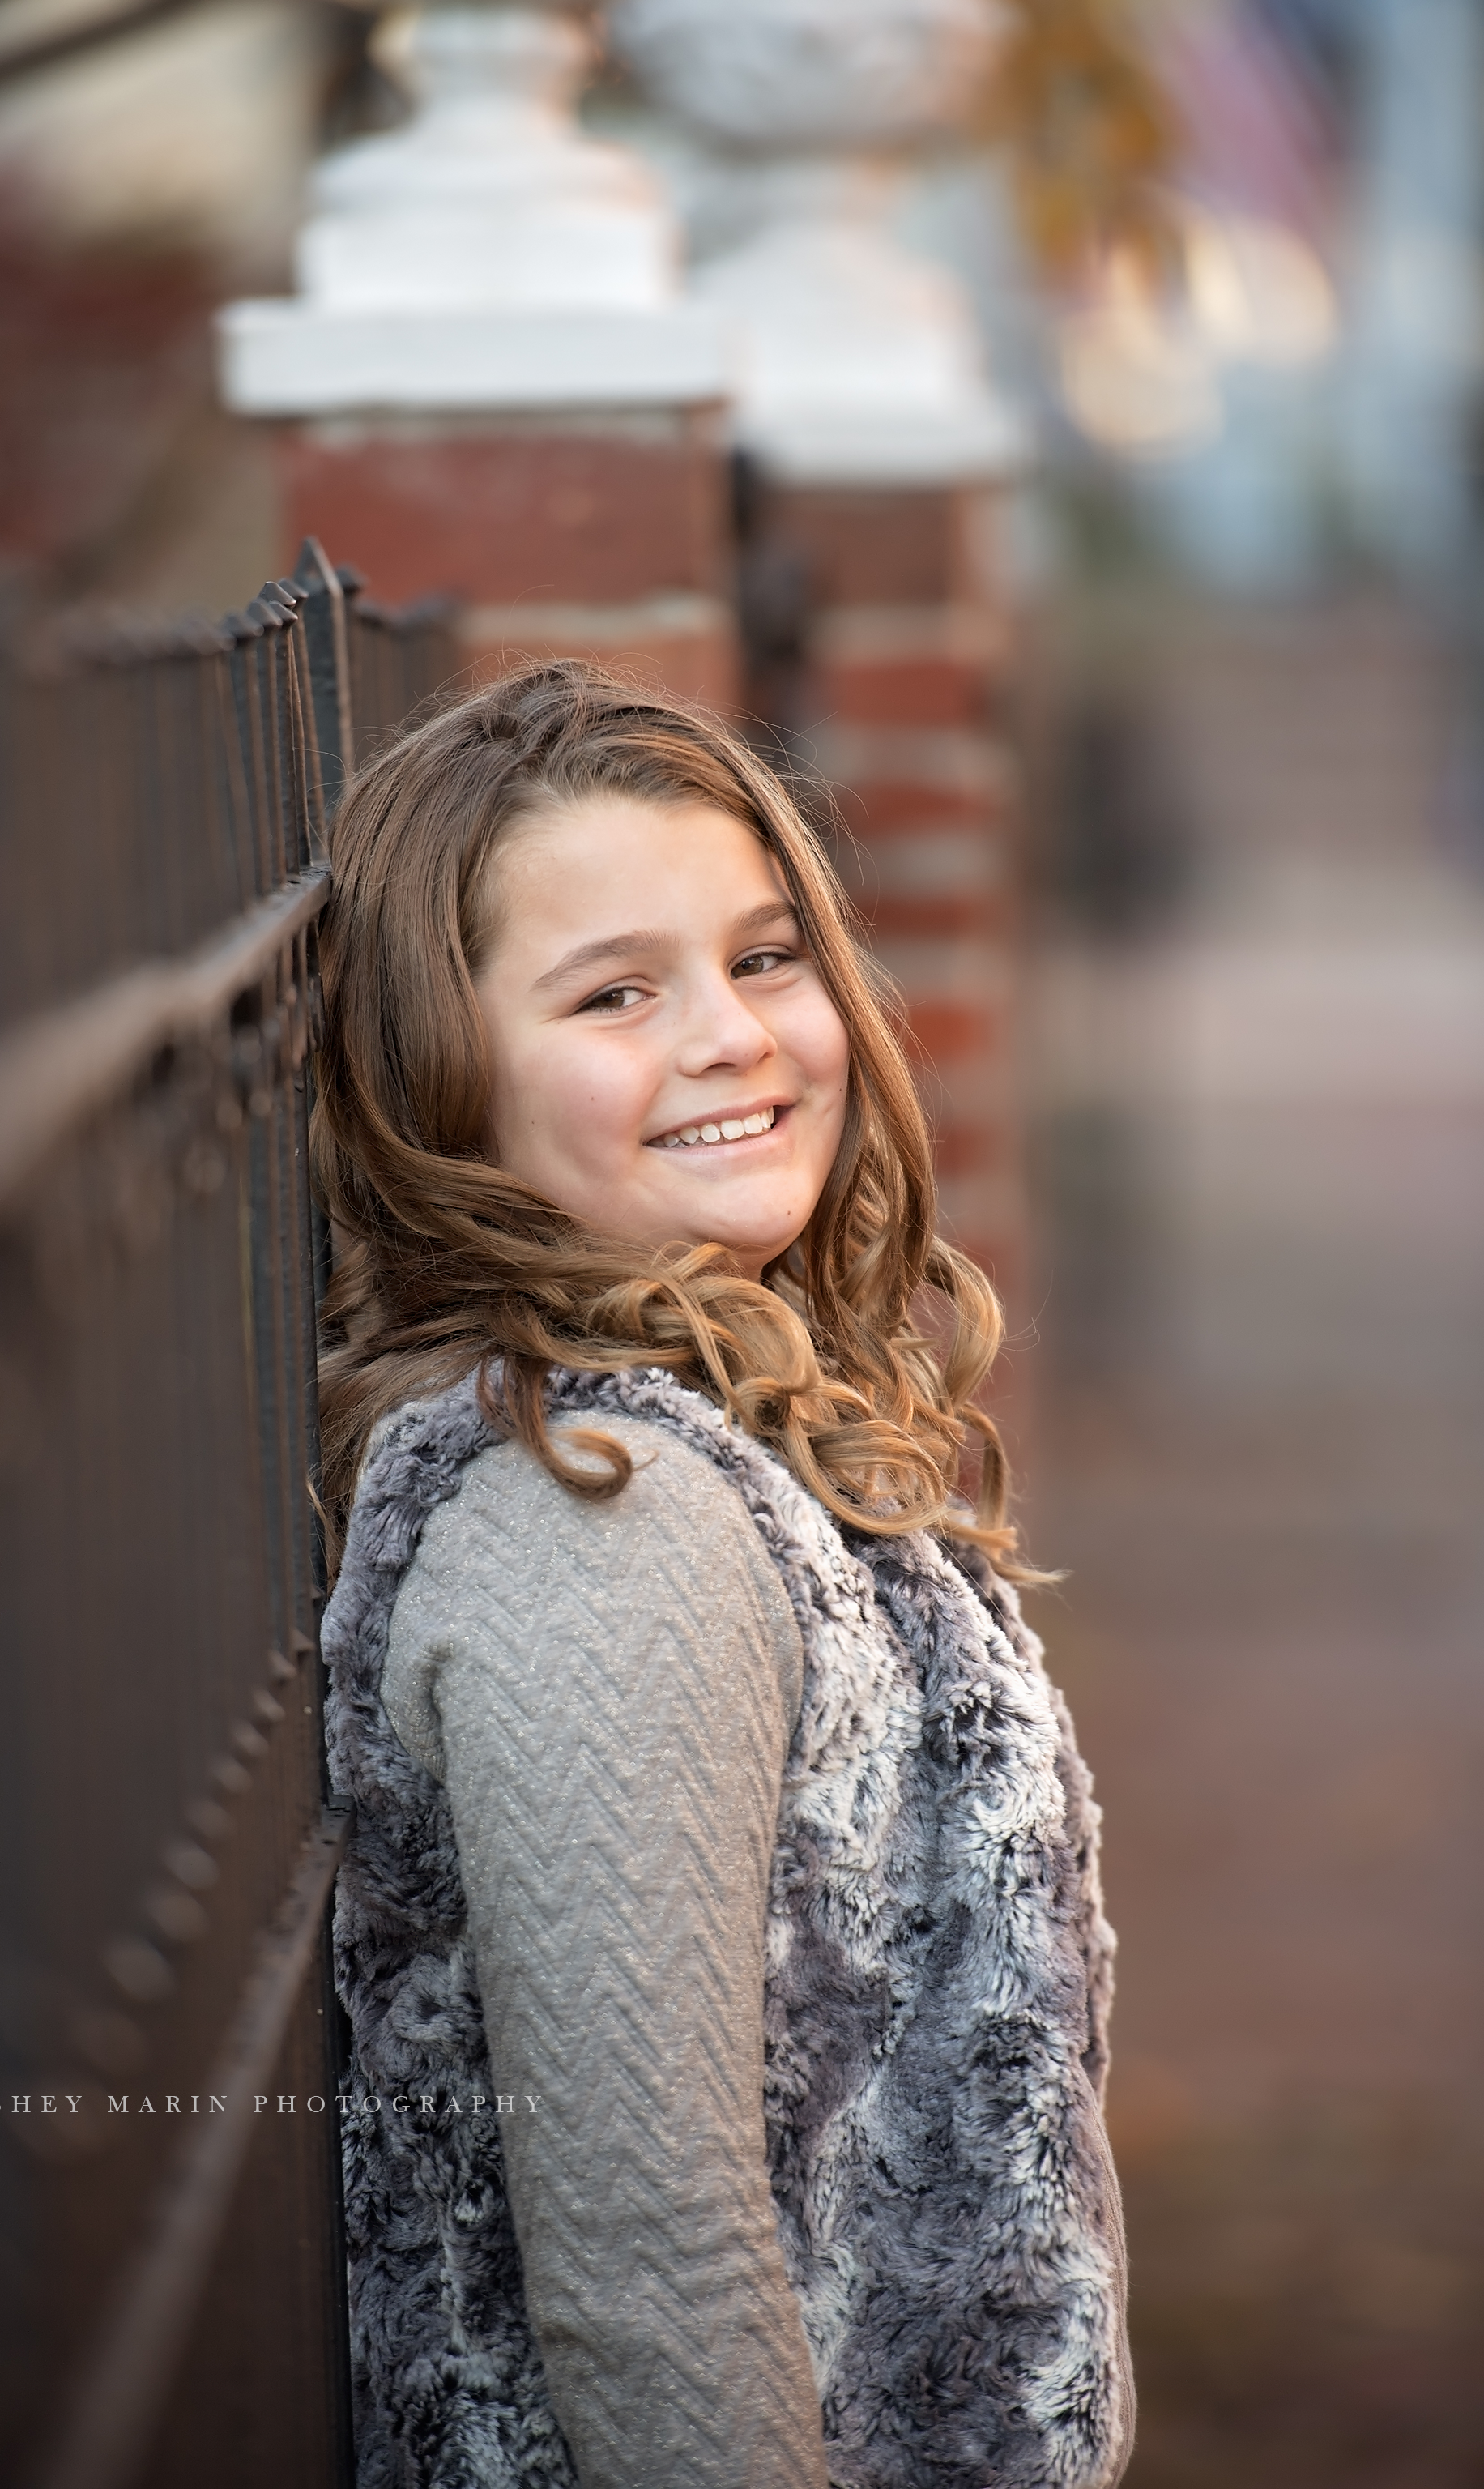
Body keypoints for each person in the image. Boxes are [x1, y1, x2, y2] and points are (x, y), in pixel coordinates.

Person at [314, 661, 1135, 2489]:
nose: (736, 1037)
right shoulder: (597, 1517)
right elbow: (652, 2270)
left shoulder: (708, 1431)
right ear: (444, 1077)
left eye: (766, 958)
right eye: (616, 994)